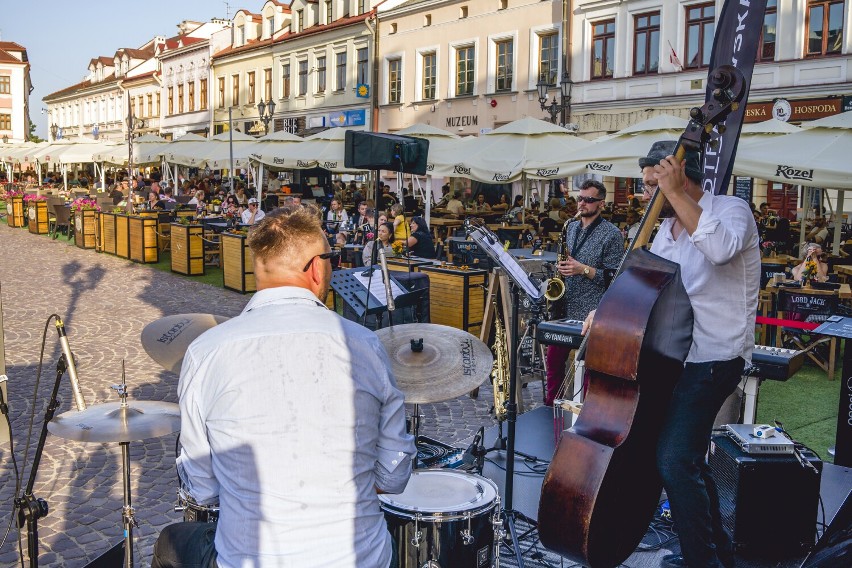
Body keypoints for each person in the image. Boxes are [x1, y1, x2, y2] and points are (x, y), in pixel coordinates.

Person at [152, 206, 414, 568]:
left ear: (259, 266)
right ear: (316, 267)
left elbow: (202, 489)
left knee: (170, 542)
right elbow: (395, 475)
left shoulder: (206, 352)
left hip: (248, 560)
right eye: (330, 258)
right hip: (361, 559)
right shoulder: (366, 346)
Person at [581, 140, 757, 568]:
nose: (645, 197)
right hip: (674, 359)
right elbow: (644, 287)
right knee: (686, 459)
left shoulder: (731, 210)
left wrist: (674, 194)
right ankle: (715, 553)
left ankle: (703, 561)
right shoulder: (664, 230)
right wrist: (604, 313)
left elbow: (718, 249)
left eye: (649, 186)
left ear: (677, 177)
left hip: (715, 358)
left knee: (674, 460)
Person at [544, 179, 623, 407]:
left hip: (591, 311)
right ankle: (551, 407)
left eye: (589, 200)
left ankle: (588, 413)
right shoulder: (570, 227)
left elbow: (614, 278)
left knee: (590, 371)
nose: (582, 204)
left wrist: (583, 269)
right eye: (580, 198)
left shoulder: (612, 234)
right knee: (554, 361)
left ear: (601, 204)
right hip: (565, 305)